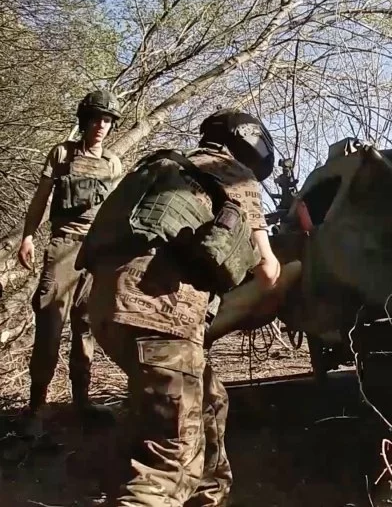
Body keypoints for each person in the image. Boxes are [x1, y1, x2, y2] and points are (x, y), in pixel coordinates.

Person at [79, 108, 281, 506]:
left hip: (107, 309)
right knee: (171, 466)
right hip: (161, 315)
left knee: (209, 401)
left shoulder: (165, 165)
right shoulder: (234, 174)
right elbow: (267, 270)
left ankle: (208, 496)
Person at [17, 89, 123, 430]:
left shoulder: (113, 163)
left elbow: (115, 211)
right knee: (50, 322)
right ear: (85, 120)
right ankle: (37, 406)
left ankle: (82, 401)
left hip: (97, 251)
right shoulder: (62, 153)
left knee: (86, 325)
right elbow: (41, 199)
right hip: (64, 246)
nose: (101, 126)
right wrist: (28, 236)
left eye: (107, 120)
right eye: (96, 119)